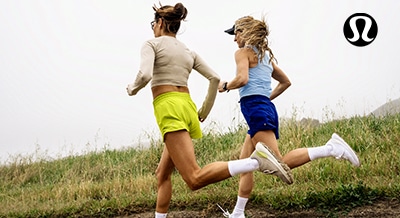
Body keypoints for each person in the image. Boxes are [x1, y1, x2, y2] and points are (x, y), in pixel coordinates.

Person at [126, 4, 294, 218]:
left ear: (160, 22)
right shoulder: (188, 51)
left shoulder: (151, 44)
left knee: (194, 179)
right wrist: (204, 110)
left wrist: (132, 89)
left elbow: (145, 75)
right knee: (162, 173)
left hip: (168, 107)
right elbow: (214, 78)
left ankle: (254, 162)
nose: (152, 28)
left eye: (153, 24)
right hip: (187, 107)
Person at [218, 16, 361, 218]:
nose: (234, 39)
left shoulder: (242, 53)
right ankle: (238, 213)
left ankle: (331, 148)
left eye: (236, 34)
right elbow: (285, 82)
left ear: (245, 32)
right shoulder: (266, 58)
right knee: (244, 162)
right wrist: (265, 99)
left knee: (279, 162)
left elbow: (242, 79)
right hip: (261, 108)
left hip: (256, 109)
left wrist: (225, 86)